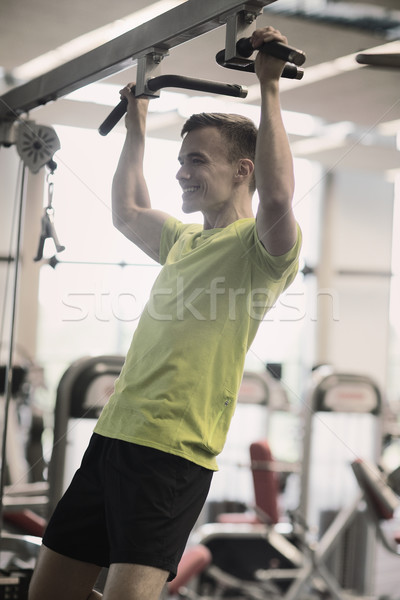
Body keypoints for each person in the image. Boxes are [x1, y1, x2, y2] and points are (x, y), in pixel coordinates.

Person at [29, 25, 302, 600]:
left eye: (196, 161)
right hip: (113, 437)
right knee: (48, 592)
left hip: (172, 453)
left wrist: (269, 88)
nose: (180, 172)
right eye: (179, 160)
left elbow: (279, 197)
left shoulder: (262, 250)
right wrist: (137, 125)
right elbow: (128, 210)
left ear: (242, 170)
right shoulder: (183, 239)